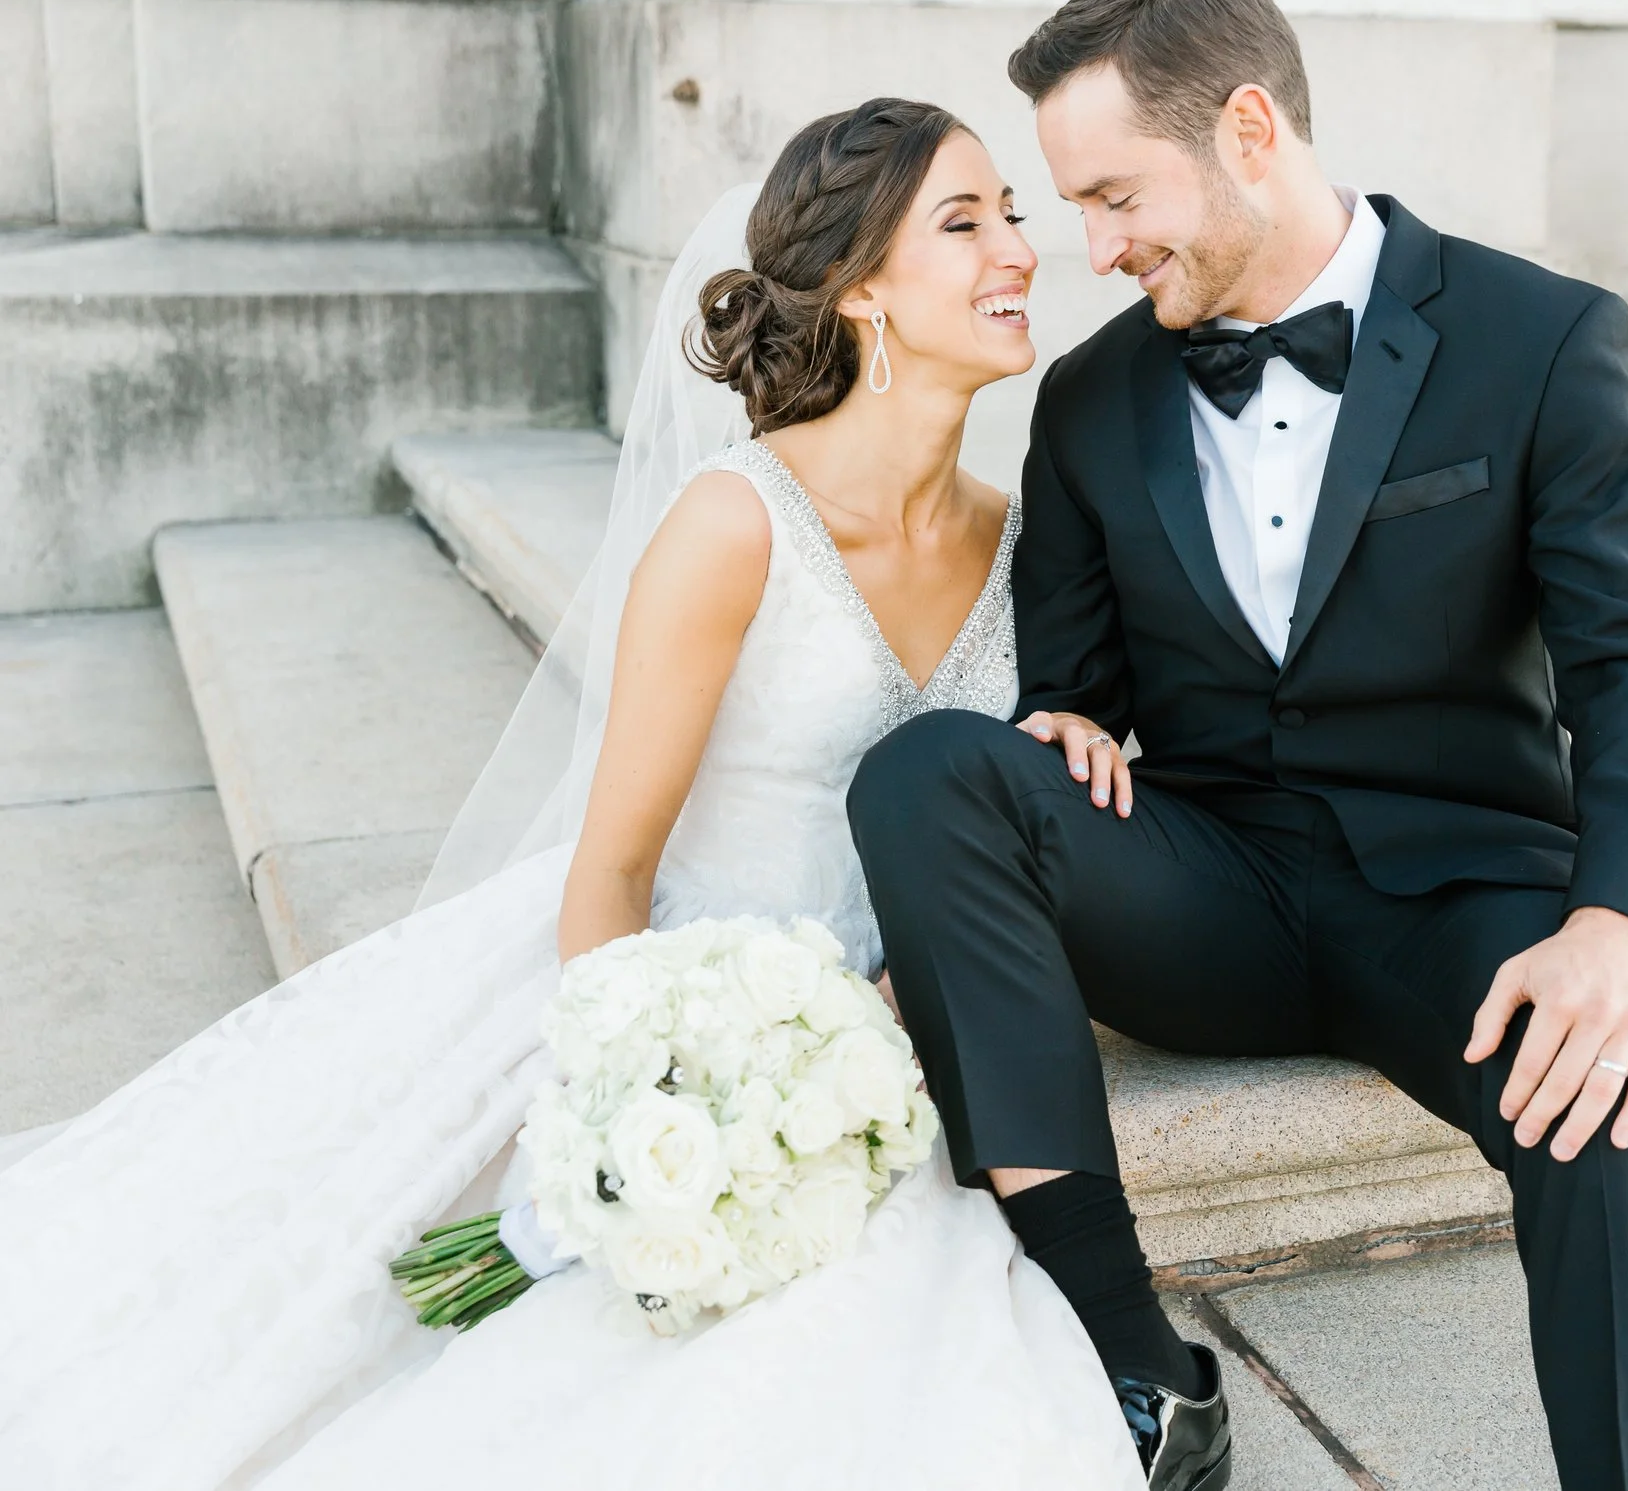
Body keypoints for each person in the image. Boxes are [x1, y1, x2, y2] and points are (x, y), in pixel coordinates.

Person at [0, 101, 1146, 1489]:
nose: (1019, 247)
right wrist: (655, 1106)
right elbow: (610, 868)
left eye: (1013, 212)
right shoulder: (736, 528)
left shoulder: (1022, 538)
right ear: (859, 295)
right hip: (657, 997)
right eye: (964, 223)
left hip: (891, 1043)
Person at [852, 0, 1628, 1491]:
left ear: (1249, 133)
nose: (1093, 246)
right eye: (1077, 207)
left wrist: (1620, 927)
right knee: (929, 772)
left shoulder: (1541, 340)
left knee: (1607, 1082)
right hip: (1213, 893)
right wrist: (1072, 726)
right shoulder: (1090, 401)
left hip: (1458, 900)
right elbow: (1075, 686)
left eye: (1118, 196)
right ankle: (1132, 1361)